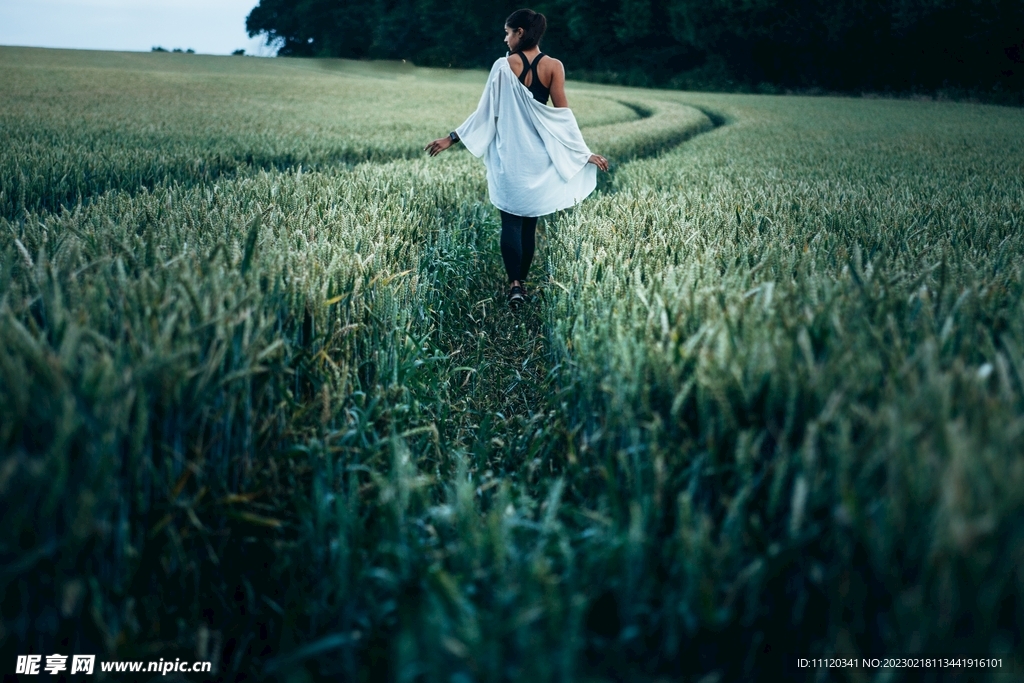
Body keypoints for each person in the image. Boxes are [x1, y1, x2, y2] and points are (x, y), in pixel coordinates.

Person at [425, 8, 609, 306]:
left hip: (509, 156)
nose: (505, 38)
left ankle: (514, 285)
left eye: (508, 32)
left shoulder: (502, 66)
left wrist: (452, 138)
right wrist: (582, 153)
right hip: (538, 157)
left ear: (520, 32)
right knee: (529, 222)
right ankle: (521, 286)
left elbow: (486, 112)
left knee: (510, 221)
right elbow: (562, 117)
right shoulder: (554, 66)